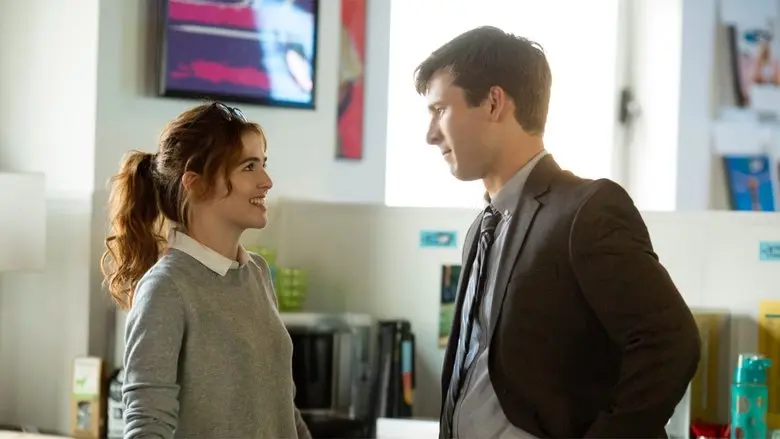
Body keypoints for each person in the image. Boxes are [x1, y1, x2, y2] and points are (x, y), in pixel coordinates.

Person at [414, 26, 701, 438]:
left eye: (440, 109)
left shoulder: (588, 209)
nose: (430, 135)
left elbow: (670, 342)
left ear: (494, 102)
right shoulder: (482, 228)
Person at [100, 102, 312, 439]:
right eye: (249, 167)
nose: (267, 181)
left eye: (263, 164)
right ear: (196, 184)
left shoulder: (256, 273)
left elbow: (281, 406)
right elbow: (147, 425)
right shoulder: (166, 288)